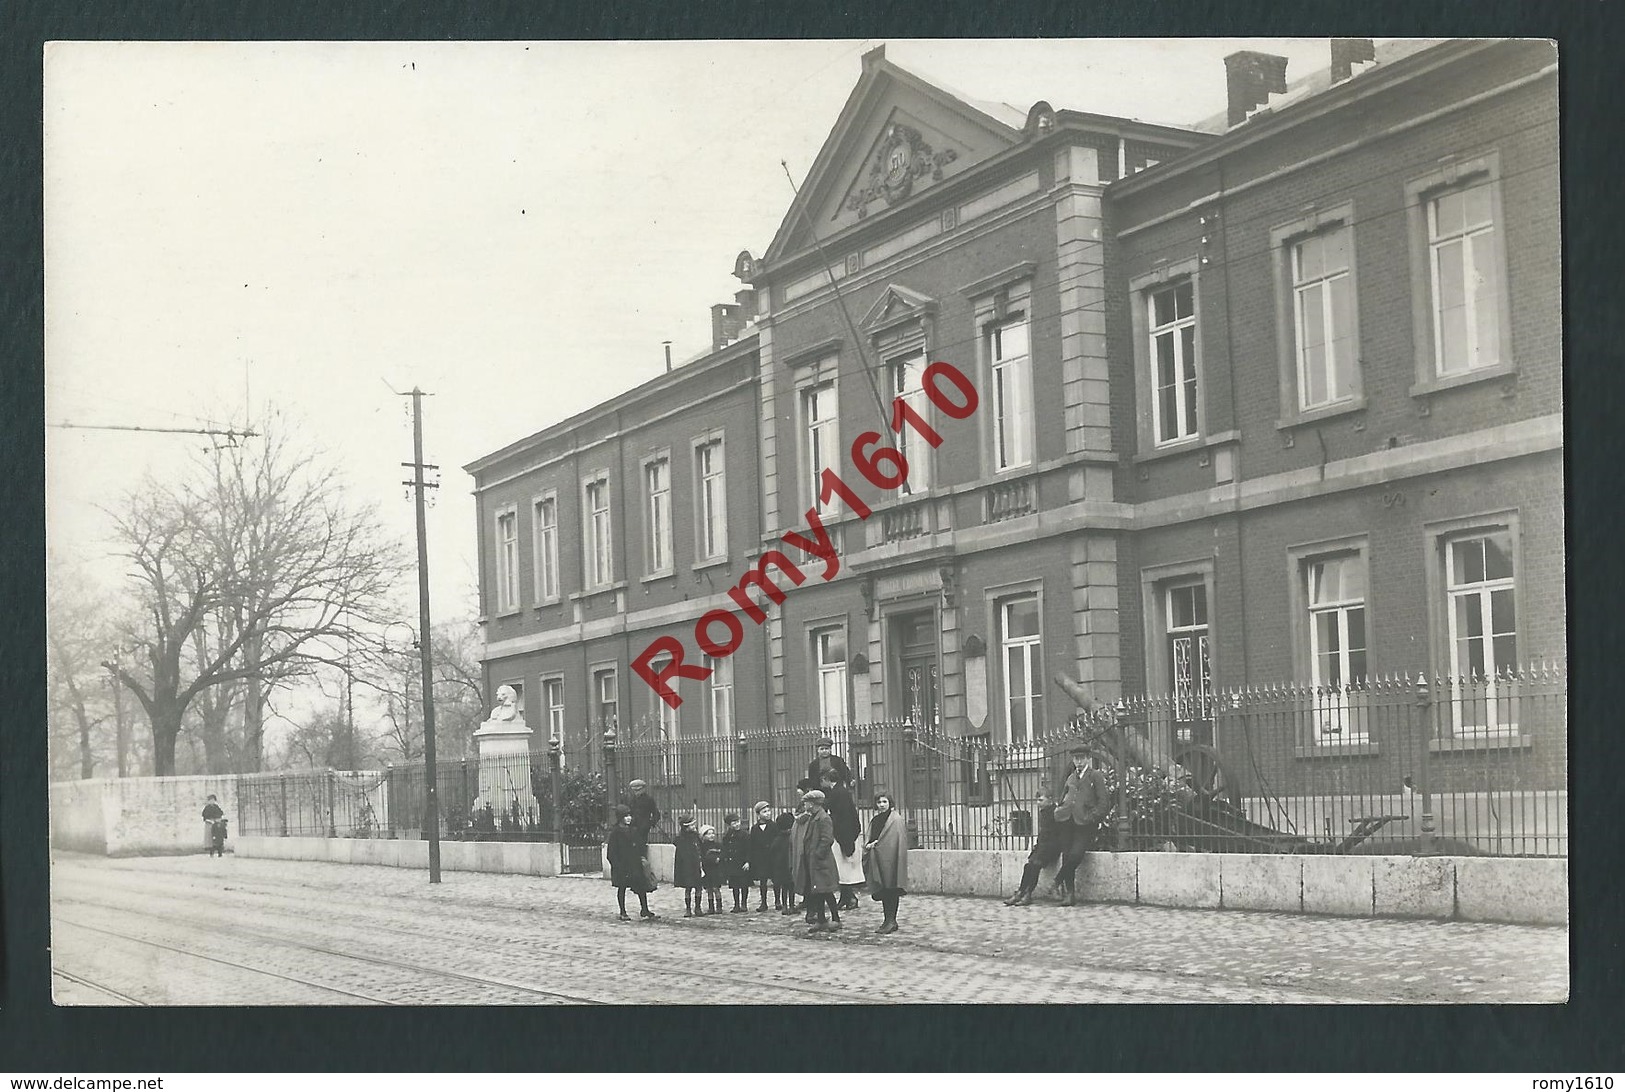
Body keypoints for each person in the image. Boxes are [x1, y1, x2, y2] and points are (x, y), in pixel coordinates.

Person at [1054, 747, 1111, 907]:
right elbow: (1063, 796)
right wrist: (1060, 809)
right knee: (1067, 854)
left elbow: (1104, 802)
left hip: (1084, 824)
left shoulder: (1095, 776)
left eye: (1081, 758)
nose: (1078, 761)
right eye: (1076, 758)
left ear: (1088, 759)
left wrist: (1092, 817)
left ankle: (1058, 880)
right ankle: (1070, 894)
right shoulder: (1071, 777)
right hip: (1067, 821)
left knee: (1076, 855)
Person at [792, 789, 841, 935]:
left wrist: (818, 854)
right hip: (812, 861)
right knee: (817, 892)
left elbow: (827, 839)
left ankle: (836, 919)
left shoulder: (823, 818)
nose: (804, 804)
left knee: (826, 891)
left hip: (821, 863)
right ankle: (821, 920)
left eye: (806, 802)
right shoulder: (813, 817)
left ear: (813, 804)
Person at [1004, 788, 1061, 906]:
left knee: (1035, 865)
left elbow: (1054, 834)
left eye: (1041, 800)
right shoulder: (1044, 812)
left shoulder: (1056, 812)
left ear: (1050, 800)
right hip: (1043, 847)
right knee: (1028, 865)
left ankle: (1028, 894)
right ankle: (1020, 892)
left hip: (1053, 847)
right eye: (1037, 800)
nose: (1038, 803)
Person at [863, 792, 909, 934]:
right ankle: (886, 919)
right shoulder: (875, 820)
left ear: (890, 803)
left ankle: (892, 920)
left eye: (884, 802)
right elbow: (870, 837)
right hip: (877, 859)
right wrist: (869, 845)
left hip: (891, 859)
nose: (882, 805)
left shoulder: (896, 820)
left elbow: (897, 840)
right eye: (879, 802)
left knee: (892, 889)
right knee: (883, 889)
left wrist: (879, 844)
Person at [606, 804, 658, 921]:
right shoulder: (615, 833)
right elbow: (611, 854)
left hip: (635, 864)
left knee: (641, 887)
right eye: (625, 816)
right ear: (620, 818)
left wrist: (641, 858)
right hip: (622, 866)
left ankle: (644, 909)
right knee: (622, 888)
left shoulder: (634, 830)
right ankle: (623, 911)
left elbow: (640, 846)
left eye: (629, 815)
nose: (629, 818)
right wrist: (617, 866)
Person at [821, 771, 864, 911]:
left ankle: (849, 898)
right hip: (845, 833)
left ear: (826, 779)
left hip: (842, 834)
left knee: (843, 869)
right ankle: (847, 898)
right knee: (843, 870)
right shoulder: (842, 791)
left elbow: (841, 816)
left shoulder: (837, 793)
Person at [746, 801, 776, 911]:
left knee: (775, 879)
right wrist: (750, 859)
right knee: (763, 881)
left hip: (772, 857)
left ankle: (778, 901)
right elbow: (751, 845)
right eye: (764, 812)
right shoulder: (754, 829)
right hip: (761, 859)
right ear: (758, 815)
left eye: (768, 811)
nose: (768, 813)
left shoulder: (774, 826)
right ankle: (763, 902)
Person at [673, 815, 703, 917]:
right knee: (688, 887)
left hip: (696, 864)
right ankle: (688, 908)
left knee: (698, 887)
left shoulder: (696, 836)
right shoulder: (681, 839)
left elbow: (700, 849)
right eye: (692, 825)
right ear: (686, 827)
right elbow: (681, 854)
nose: (694, 826)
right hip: (686, 866)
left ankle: (698, 907)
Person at [721, 813, 750, 912]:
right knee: (735, 886)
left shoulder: (745, 835)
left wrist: (748, 861)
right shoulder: (727, 836)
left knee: (744, 884)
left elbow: (749, 849)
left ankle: (744, 903)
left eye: (738, 822)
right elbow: (724, 849)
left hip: (742, 863)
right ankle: (736, 904)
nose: (737, 824)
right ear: (729, 825)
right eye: (734, 823)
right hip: (732, 863)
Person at [771, 809, 798, 913]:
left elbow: (772, 851)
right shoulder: (792, 839)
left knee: (784, 888)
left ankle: (784, 906)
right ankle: (791, 906)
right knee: (791, 888)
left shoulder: (777, 839)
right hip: (790, 866)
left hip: (779, 867)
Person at [699, 824, 725, 915]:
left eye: (712, 833)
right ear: (703, 836)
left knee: (716, 888)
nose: (711, 835)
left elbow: (723, 854)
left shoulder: (718, 845)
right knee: (709, 889)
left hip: (716, 870)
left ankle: (719, 906)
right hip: (707, 870)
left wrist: (719, 859)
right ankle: (711, 907)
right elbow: (702, 857)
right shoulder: (702, 846)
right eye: (708, 834)